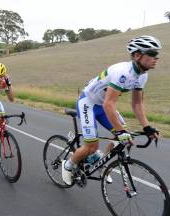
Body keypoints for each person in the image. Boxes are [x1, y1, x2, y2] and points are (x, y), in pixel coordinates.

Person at [61, 35, 162, 185]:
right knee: (91, 146)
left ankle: (101, 164)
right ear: (137, 55)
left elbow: (137, 104)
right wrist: (120, 131)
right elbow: (109, 104)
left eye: (157, 54)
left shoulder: (142, 75)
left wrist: (147, 127)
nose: (156, 58)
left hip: (103, 105)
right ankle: (68, 165)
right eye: (152, 54)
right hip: (88, 103)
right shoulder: (123, 72)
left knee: (125, 140)